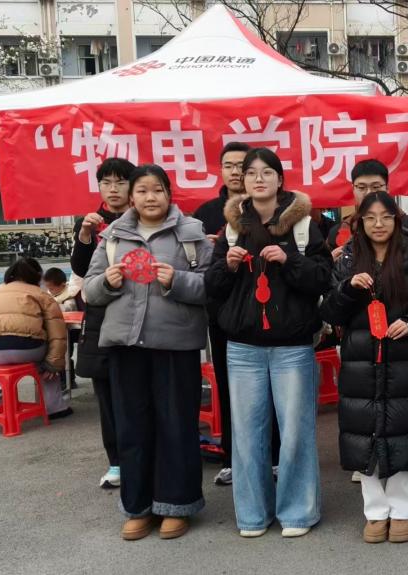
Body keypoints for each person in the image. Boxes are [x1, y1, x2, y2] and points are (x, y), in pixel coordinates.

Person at [204, 147, 332, 539]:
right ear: (242, 180)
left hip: (293, 346)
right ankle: (252, 515)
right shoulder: (231, 227)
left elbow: (323, 278)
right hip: (242, 346)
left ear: (280, 179)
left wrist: (290, 260)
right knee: (246, 434)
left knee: (295, 432)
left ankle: (297, 513)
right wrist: (227, 266)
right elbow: (212, 286)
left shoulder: (303, 225)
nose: (259, 179)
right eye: (251, 173)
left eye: (267, 172)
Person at [84, 164, 212, 541]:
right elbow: (89, 289)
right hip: (126, 346)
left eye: (157, 190)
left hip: (175, 345)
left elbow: (212, 285)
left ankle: (176, 505)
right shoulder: (112, 237)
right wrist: (106, 283)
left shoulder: (192, 233)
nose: (150, 197)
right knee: (132, 427)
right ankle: (137, 506)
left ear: (169, 194)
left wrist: (178, 280)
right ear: (131, 197)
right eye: (142, 191)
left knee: (177, 425)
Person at [320, 191, 408, 544]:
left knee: (404, 431)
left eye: (385, 217)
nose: (378, 224)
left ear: (396, 220)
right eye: (370, 217)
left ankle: (402, 511)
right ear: (359, 221)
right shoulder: (347, 258)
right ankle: (374, 512)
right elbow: (329, 311)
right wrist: (348, 288)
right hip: (360, 360)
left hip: (405, 358)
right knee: (364, 435)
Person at [70, 156, 135, 489]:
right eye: (106, 182)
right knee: (107, 395)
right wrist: (84, 234)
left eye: (120, 182)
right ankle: (117, 462)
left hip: (138, 317)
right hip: (100, 318)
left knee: (138, 392)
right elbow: (81, 270)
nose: (113, 189)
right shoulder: (90, 223)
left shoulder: (144, 219)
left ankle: (143, 456)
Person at [192, 141, 251, 487]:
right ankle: (232, 457)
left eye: (243, 165)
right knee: (229, 388)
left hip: (263, 314)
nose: (236, 172)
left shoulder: (269, 208)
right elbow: (197, 266)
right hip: (224, 314)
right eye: (229, 165)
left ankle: (271, 457)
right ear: (221, 170)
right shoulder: (207, 213)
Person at [0, 257, 71, 418]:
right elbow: (57, 333)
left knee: (6, 369)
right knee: (47, 361)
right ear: (37, 276)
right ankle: (54, 408)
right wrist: (53, 364)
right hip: (27, 349)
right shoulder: (40, 295)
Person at [327, 159, 408, 268]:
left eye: (375, 187)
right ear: (353, 189)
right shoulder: (339, 231)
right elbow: (328, 274)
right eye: (362, 187)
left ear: (387, 188)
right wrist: (330, 263)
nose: (369, 193)